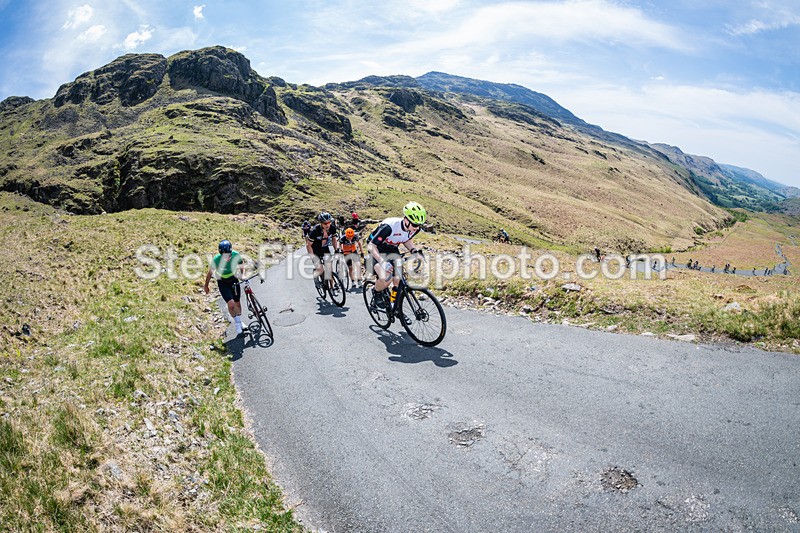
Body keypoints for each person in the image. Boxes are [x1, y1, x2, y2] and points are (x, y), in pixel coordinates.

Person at [366, 201, 426, 305]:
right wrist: (382, 262)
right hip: (376, 248)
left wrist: (414, 251)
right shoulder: (389, 227)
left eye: (419, 225)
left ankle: (395, 306)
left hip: (391, 248)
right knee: (386, 278)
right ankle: (376, 292)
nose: (416, 228)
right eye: (415, 224)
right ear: (406, 219)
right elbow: (371, 246)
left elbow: (406, 239)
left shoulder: (414, 229)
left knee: (398, 280)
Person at [204, 240, 245, 335]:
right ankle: (237, 323)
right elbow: (210, 273)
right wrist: (206, 285)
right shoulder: (216, 259)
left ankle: (240, 321)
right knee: (231, 304)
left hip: (234, 279)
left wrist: (242, 274)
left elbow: (241, 263)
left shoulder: (235, 255)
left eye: (228, 255)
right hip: (222, 282)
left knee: (237, 303)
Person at [306, 212, 339, 284]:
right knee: (320, 269)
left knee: (329, 269)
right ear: (321, 223)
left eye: (329, 222)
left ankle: (332, 288)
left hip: (325, 248)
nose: (327, 225)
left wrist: (336, 249)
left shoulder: (332, 228)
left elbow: (334, 239)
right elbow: (308, 245)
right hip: (315, 249)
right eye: (325, 223)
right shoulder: (315, 231)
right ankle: (320, 279)